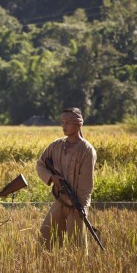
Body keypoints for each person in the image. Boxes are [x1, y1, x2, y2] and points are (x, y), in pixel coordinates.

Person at [36, 107, 97, 252]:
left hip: (77, 204)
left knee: (77, 246)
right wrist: (52, 177)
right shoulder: (56, 145)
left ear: (78, 124)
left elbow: (86, 185)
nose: (64, 126)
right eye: (62, 122)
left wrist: (80, 207)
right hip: (60, 200)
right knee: (45, 235)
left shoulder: (87, 151)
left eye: (68, 123)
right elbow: (40, 164)